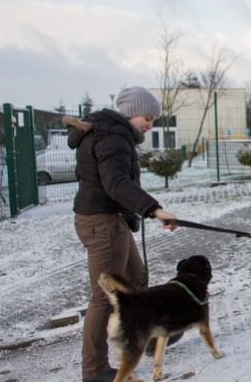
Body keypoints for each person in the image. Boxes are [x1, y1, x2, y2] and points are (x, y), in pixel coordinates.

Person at [65, 86, 178, 382]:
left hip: (111, 218)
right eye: (148, 116)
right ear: (130, 112)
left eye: (154, 118)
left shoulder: (113, 134)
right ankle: (94, 370)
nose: (151, 123)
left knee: (136, 279)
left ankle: (146, 337)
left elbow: (117, 184)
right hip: (101, 222)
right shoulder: (112, 137)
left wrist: (143, 209)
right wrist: (153, 209)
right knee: (104, 298)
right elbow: (116, 183)